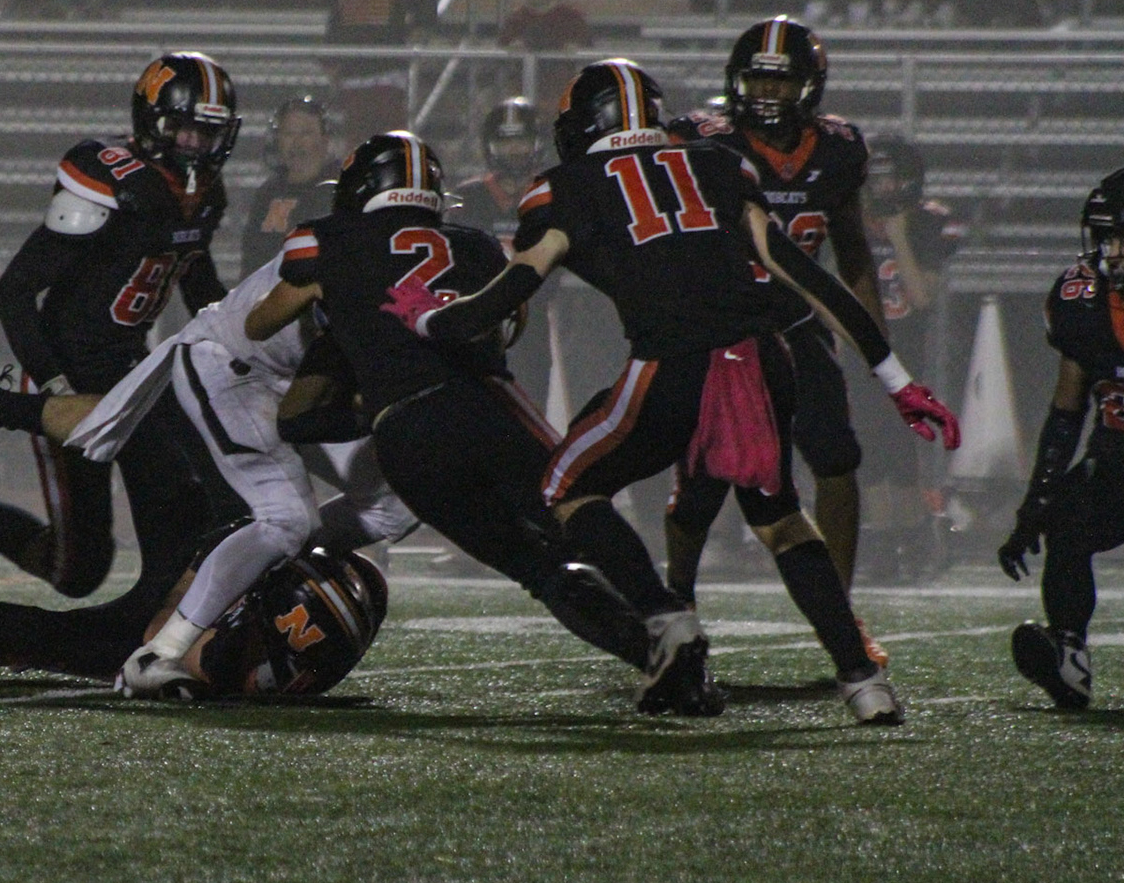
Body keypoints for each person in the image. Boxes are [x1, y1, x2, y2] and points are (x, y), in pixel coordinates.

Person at [411, 60, 961, 724]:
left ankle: (665, 615)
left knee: (565, 482)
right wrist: (896, 378)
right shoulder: (717, 165)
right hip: (761, 358)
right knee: (780, 519)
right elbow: (804, 275)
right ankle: (864, 682)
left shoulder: (563, 188)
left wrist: (432, 321)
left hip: (673, 363)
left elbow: (515, 286)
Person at [245, 133, 675, 700]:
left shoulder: (324, 240)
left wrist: (348, 323)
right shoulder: (475, 245)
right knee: (575, 514)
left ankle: (657, 654)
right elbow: (511, 323)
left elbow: (259, 324)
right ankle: (668, 641)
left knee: (536, 571)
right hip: (482, 404)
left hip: (403, 433)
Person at [0, 241, 426, 696]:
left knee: (394, 505)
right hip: (236, 367)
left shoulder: (393, 263)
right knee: (275, 518)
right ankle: (160, 653)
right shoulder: (343, 253)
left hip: (265, 378)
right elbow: (265, 335)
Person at [0, 53, 238, 612]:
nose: (196, 146)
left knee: (180, 506)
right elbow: (13, 292)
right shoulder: (111, 182)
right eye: (184, 129)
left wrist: (238, 345)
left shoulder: (204, 194)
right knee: (78, 571)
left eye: (207, 133)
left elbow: (198, 282)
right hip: (71, 367)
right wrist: (54, 384)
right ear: (153, 123)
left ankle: (167, 621)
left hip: (133, 369)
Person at [661, 18, 888, 667]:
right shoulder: (704, 139)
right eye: (757, 79)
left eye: (780, 81)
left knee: (837, 461)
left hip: (796, 323)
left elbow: (852, 248)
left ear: (809, 87)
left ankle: (840, 616)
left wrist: (876, 346)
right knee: (701, 485)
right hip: (721, 327)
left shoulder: (837, 150)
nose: (766, 93)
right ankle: (676, 607)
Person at [0, 543, 389, 702]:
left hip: (184, 631)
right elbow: (157, 638)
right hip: (159, 620)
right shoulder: (237, 552)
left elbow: (210, 668)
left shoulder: (302, 633)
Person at [1000, 165, 1124, 711]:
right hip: (1121, 462)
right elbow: (1067, 411)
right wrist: (1035, 500)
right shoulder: (1083, 300)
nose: (1116, 253)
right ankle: (1068, 656)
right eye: (1109, 238)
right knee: (1065, 512)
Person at [854, 136, 961, 583]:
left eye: (890, 179)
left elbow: (920, 297)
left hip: (906, 349)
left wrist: (898, 236)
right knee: (870, 451)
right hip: (861, 347)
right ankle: (886, 543)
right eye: (875, 179)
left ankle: (914, 538)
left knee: (899, 450)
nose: (882, 188)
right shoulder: (850, 220)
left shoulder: (926, 222)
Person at [324, 0, 437, 141]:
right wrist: (331, 62)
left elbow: (426, 4)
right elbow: (335, 27)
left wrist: (417, 30)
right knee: (357, 135)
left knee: (390, 133)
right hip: (354, 73)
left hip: (388, 70)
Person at [238, 96, 335, 277]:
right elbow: (251, 259)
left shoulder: (341, 189)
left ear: (324, 139)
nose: (297, 143)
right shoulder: (268, 194)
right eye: (289, 133)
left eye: (306, 133)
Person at [497, 0, 591, 111]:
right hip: (521, 100)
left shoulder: (572, 19)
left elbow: (586, 57)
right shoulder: (515, 21)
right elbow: (501, 58)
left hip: (563, 98)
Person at [452, 96, 544, 245]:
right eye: (505, 142)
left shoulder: (554, 194)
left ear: (536, 143)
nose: (514, 150)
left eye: (522, 140)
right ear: (490, 146)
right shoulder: (468, 196)